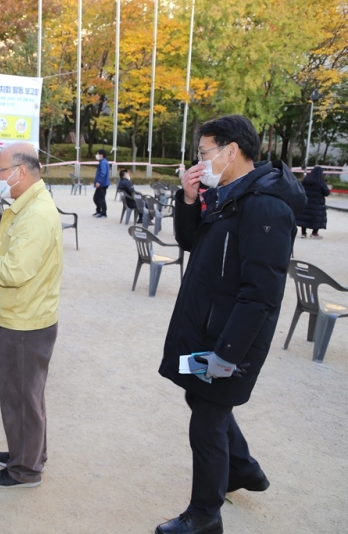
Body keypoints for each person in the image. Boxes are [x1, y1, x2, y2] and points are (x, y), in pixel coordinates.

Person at [155, 115, 305, 534]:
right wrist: (186, 200)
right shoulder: (227, 194)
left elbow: (261, 294)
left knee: (207, 419)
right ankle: (243, 470)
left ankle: (204, 515)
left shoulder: (264, 205)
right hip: (204, 328)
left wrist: (226, 354)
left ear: (231, 151)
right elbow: (191, 242)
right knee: (201, 402)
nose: (199, 162)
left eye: (204, 153)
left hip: (227, 340)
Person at [0, 142, 63, 488]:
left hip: (24, 321)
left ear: (20, 171)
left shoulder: (36, 213)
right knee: (27, 395)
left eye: (0, 170)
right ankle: (28, 452)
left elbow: (16, 270)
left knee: (21, 398)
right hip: (22, 315)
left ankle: (25, 469)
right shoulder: (28, 205)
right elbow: (18, 258)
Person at [295, 166, 330, 239]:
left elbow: (300, 189)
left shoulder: (306, 180)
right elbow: (326, 192)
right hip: (317, 203)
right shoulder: (321, 182)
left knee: (305, 217)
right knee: (317, 218)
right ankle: (314, 233)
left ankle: (303, 233)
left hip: (306, 202)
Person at [93, 149, 110, 217]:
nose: (97, 155)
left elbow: (103, 173)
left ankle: (103, 213)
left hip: (102, 184)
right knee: (96, 198)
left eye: (98, 154)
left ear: (101, 155)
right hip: (102, 183)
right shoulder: (102, 162)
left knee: (101, 198)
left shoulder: (103, 162)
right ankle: (98, 210)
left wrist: (99, 182)